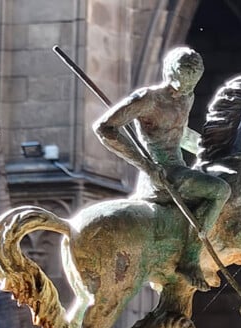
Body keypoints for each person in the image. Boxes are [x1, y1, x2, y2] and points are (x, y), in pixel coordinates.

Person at [94, 46, 231, 291]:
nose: (186, 88)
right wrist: (146, 165)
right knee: (220, 191)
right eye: (182, 81)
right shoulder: (148, 99)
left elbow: (179, 135)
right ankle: (189, 259)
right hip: (161, 175)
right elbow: (104, 129)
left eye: (192, 84)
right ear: (169, 73)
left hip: (179, 170)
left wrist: (208, 147)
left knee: (225, 177)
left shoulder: (187, 97)